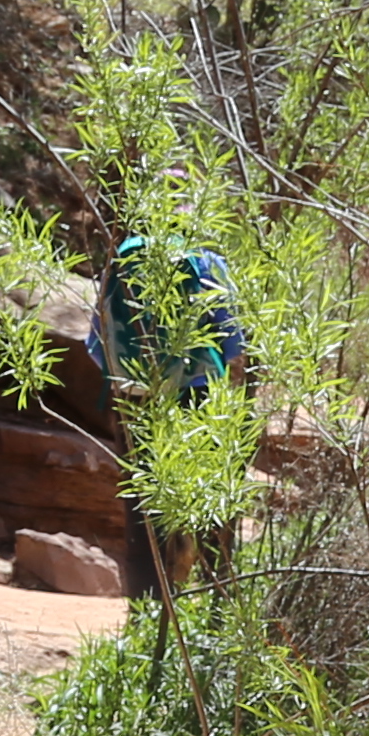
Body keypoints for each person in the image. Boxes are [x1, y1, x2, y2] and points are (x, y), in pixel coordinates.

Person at [87, 229, 252, 602]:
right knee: (203, 506)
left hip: (132, 400)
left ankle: (144, 616)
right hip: (195, 399)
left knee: (142, 511)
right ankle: (205, 609)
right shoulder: (208, 264)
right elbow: (232, 343)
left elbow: (96, 345)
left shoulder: (123, 261)